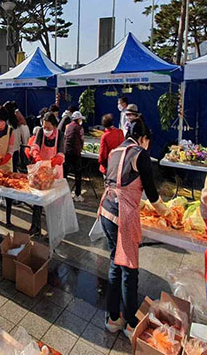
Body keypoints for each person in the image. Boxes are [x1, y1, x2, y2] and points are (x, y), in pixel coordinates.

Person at [99, 119, 169, 338]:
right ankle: (130, 322)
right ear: (144, 138)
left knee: (115, 262)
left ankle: (112, 318)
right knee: (129, 269)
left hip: (106, 211)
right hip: (123, 217)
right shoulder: (140, 153)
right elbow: (152, 193)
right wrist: (166, 213)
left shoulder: (115, 151)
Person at [29, 112, 65, 235]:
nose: (46, 130)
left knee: (54, 203)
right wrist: (36, 156)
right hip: (41, 171)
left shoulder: (60, 135)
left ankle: (53, 231)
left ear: (54, 126)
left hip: (55, 172)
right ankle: (35, 227)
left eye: (48, 128)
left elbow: (61, 155)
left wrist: (53, 162)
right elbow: (35, 147)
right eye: (44, 127)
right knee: (38, 200)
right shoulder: (40, 132)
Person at [0, 106, 17, 227]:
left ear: (5, 120)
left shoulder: (11, 131)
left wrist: (6, 158)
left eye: (1, 121)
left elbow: (11, 149)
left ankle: (8, 220)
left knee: (8, 192)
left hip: (7, 165)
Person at [64, 111, 85, 202]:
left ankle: (63, 193)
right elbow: (82, 139)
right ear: (78, 119)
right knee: (78, 174)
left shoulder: (67, 126)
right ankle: (77, 194)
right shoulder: (79, 128)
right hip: (76, 153)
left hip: (66, 152)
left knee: (65, 173)